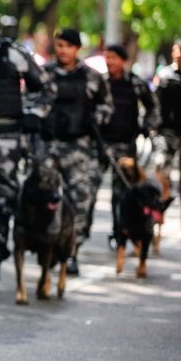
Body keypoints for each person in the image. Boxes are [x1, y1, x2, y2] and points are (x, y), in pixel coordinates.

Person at [0, 8, 56, 296]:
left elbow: (46, 88)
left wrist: (32, 112)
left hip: (7, 137)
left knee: (1, 206)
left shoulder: (14, 55)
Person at [43, 28, 113, 274]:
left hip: (79, 147)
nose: (62, 50)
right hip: (50, 145)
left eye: (67, 46)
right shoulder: (45, 74)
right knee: (45, 199)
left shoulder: (92, 77)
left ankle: (72, 251)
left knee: (80, 200)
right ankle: (47, 247)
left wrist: (93, 119)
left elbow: (107, 106)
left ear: (77, 49)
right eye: (59, 45)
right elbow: (31, 101)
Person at [100, 43, 161, 244]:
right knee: (87, 192)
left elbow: (153, 106)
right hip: (99, 144)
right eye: (107, 58)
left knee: (122, 194)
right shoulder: (100, 82)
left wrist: (147, 127)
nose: (109, 62)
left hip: (126, 146)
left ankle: (118, 231)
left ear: (124, 61)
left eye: (113, 58)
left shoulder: (135, 83)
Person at [156, 39, 181, 229]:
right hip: (168, 131)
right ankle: (161, 204)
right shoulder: (165, 75)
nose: (177, 54)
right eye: (175, 50)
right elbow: (155, 103)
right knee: (162, 167)